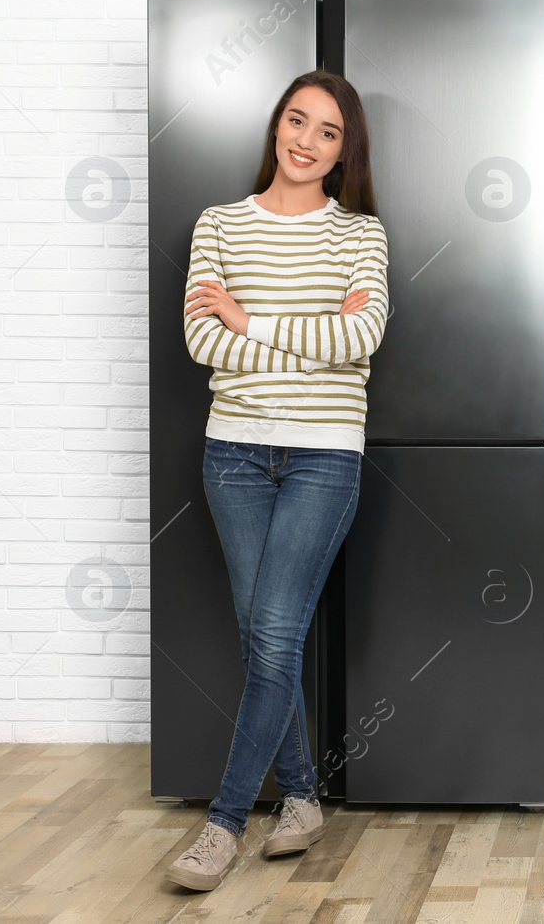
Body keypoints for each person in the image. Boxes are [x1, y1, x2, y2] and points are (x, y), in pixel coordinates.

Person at [165, 70, 389, 892]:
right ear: (275, 127)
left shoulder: (360, 234)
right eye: (297, 120)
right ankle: (300, 796)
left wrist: (249, 319)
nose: (306, 140)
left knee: (274, 636)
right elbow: (201, 343)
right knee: (268, 639)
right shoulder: (218, 224)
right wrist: (310, 337)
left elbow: (362, 335)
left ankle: (223, 824)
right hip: (234, 454)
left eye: (327, 131)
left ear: (343, 150)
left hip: (325, 453)